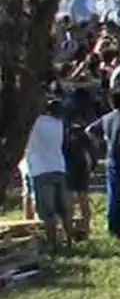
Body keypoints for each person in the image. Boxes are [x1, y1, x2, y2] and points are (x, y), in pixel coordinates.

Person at [22, 100, 75, 251]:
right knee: (64, 210)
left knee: (47, 212)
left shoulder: (35, 122)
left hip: (40, 169)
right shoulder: (59, 124)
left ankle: (53, 244)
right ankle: (69, 241)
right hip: (58, 167)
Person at [86, 90, 120, 238]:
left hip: (111, 159)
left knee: (114, 195)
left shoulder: (106, 118)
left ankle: (115, 229)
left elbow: (89, 130)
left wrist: (102, 142)